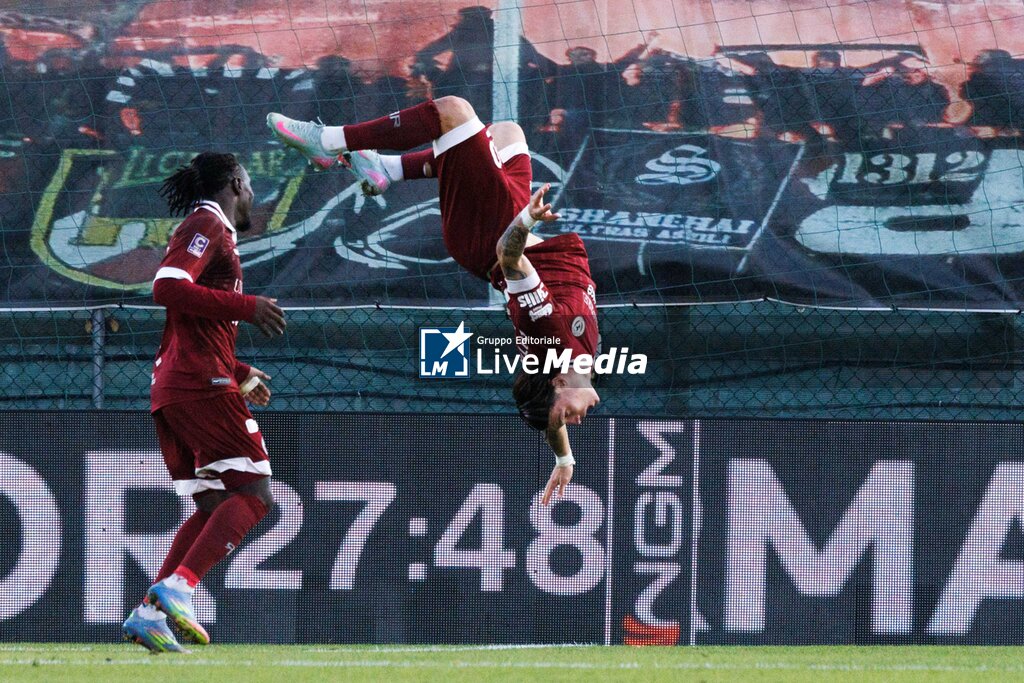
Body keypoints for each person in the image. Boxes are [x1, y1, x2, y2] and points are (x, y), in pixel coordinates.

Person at [267, 98, 599, 504]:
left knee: (452, 113)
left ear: (559, 381)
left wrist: (527, 220)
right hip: (501, 228)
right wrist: (564, 459)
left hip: (492, 235)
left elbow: (509, 256)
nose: (575, 420)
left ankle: (328, 141)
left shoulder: (549, 332)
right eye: (566, 419)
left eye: (567, 416)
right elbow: (546, 409)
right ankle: (387, 168)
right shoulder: (567, 366)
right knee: (507, 132)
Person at [121, 152, 287, 653]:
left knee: (216, 502)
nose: (253, 195)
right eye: (251, 184)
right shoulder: (205, 224)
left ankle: (149, 614)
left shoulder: (212, 231)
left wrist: (238, 371)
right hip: (198, 384)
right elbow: (167, 287)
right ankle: (179, 587)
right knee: (256, 493)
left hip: (179, 385)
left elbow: (190, 327)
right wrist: (249, 307)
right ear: (236, 182)